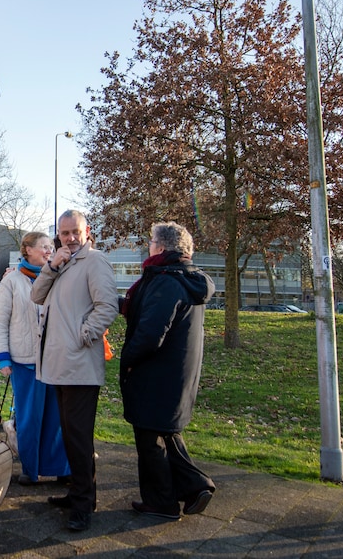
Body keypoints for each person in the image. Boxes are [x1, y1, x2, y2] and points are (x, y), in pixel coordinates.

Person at [119, 221, 216, 519]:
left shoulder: (165, 280)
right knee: (164, 434)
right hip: (175, 373)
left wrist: (129, 359)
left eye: (150, 241)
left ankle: (165, 500)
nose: (148, 245)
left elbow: (152, 332)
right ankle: (191, 488)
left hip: (156, 373)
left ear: (161, 247)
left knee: (150, 441)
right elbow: (154, 311)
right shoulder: (187, 278)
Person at [31, 209, 119, 531]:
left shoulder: (95, 262)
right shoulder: (61, 263)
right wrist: (51, 267)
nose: (69, 238)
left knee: (79, 439)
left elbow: (108, 306)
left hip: (79, 365)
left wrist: (83, 336)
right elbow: (36, 296)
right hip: (57, 364)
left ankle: (83, 506)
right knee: (70, 436)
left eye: (74, 232)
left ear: (87, 231)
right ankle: (80, 493)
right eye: (63, 233)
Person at [0, 231, 71, 486]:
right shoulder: (12, 281)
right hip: (24, 361)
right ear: (27, 250)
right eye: (44, 247)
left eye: (51, 246)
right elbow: (0, 321)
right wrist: (3, 358)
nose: (49, 250)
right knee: (29, 417)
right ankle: (31, 468)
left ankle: (61, 468)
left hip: (54, 360)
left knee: (57, 418)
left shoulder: (58, 278)